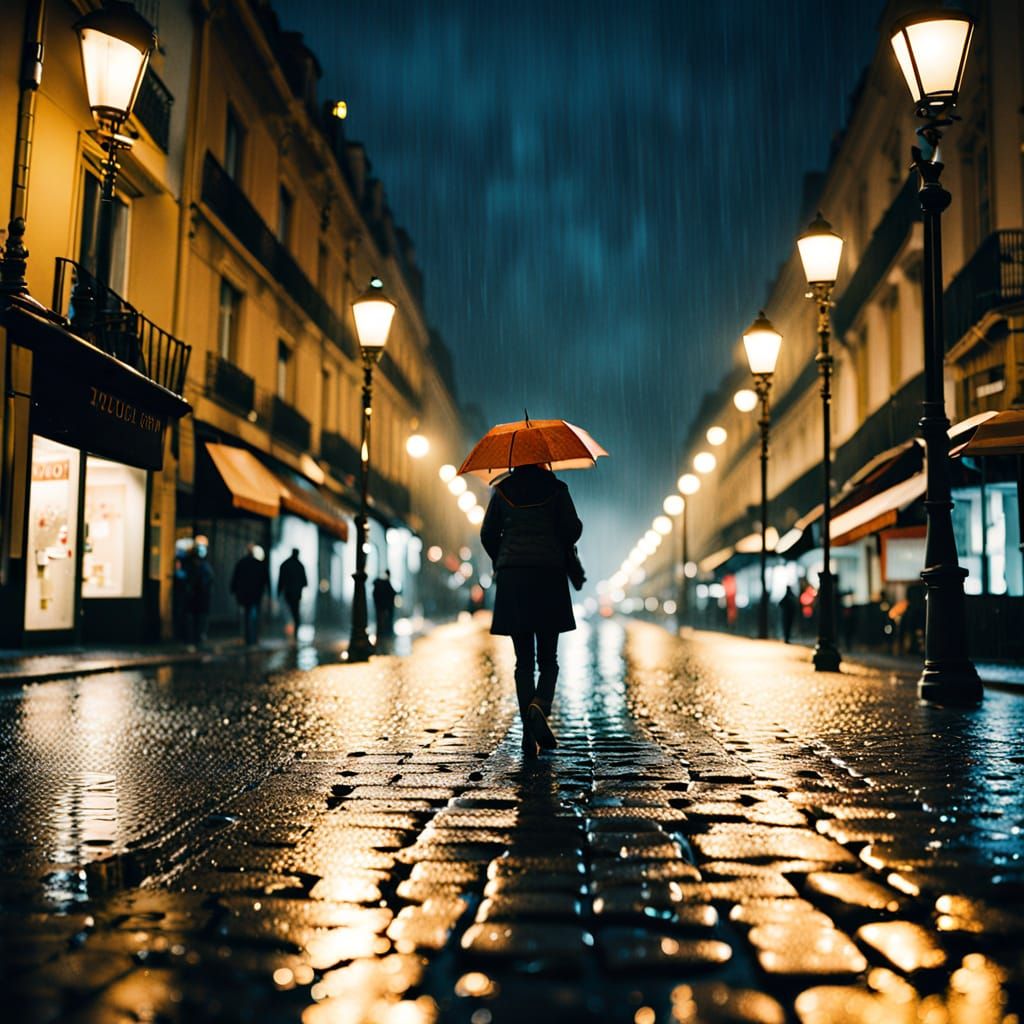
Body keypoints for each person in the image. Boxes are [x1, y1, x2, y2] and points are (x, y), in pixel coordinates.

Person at [480, 462, 583, 758]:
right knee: (548, 658)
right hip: (549, 576)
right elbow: (571, 530)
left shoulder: (501, 491)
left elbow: (488, 534)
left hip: (513, 580)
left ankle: (528, 732)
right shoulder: (557, 489)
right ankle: (541, 705)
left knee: (523, 662)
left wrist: (504, 557)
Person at [230, 543, 270, 645]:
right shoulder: (259, 564)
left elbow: (235, 578)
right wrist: (267, 592)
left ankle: (248, 638)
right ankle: (254, 637)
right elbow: (265, 579)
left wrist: (233, 589)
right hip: (256, 594)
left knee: (247, 615)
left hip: (244, 594)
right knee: (255, 616)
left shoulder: (241, 563)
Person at [183, 539, 213, 644]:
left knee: (196, 619)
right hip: (200, 597)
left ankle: (195, 639)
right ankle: (197, 639)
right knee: (199, 619)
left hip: (195, 597)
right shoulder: (205, 567)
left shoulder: (191, 565)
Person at [278, 548, 308, 639]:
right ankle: (295, 633)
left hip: (287, 592)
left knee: (287, 611)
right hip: (297, 594)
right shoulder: (300, 565)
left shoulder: (285, 564)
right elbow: (305, 582)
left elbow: (281, 580)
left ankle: (287, 630)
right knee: (295, 612)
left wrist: (278, 591)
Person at [372, 571, 397, 652]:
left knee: (380, 623)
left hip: (381, 608)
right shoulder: (386, 584)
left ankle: (381, 637)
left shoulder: (380, 585)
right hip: (385, 608)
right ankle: (384, 637)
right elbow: (392, 594)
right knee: (385, 623)